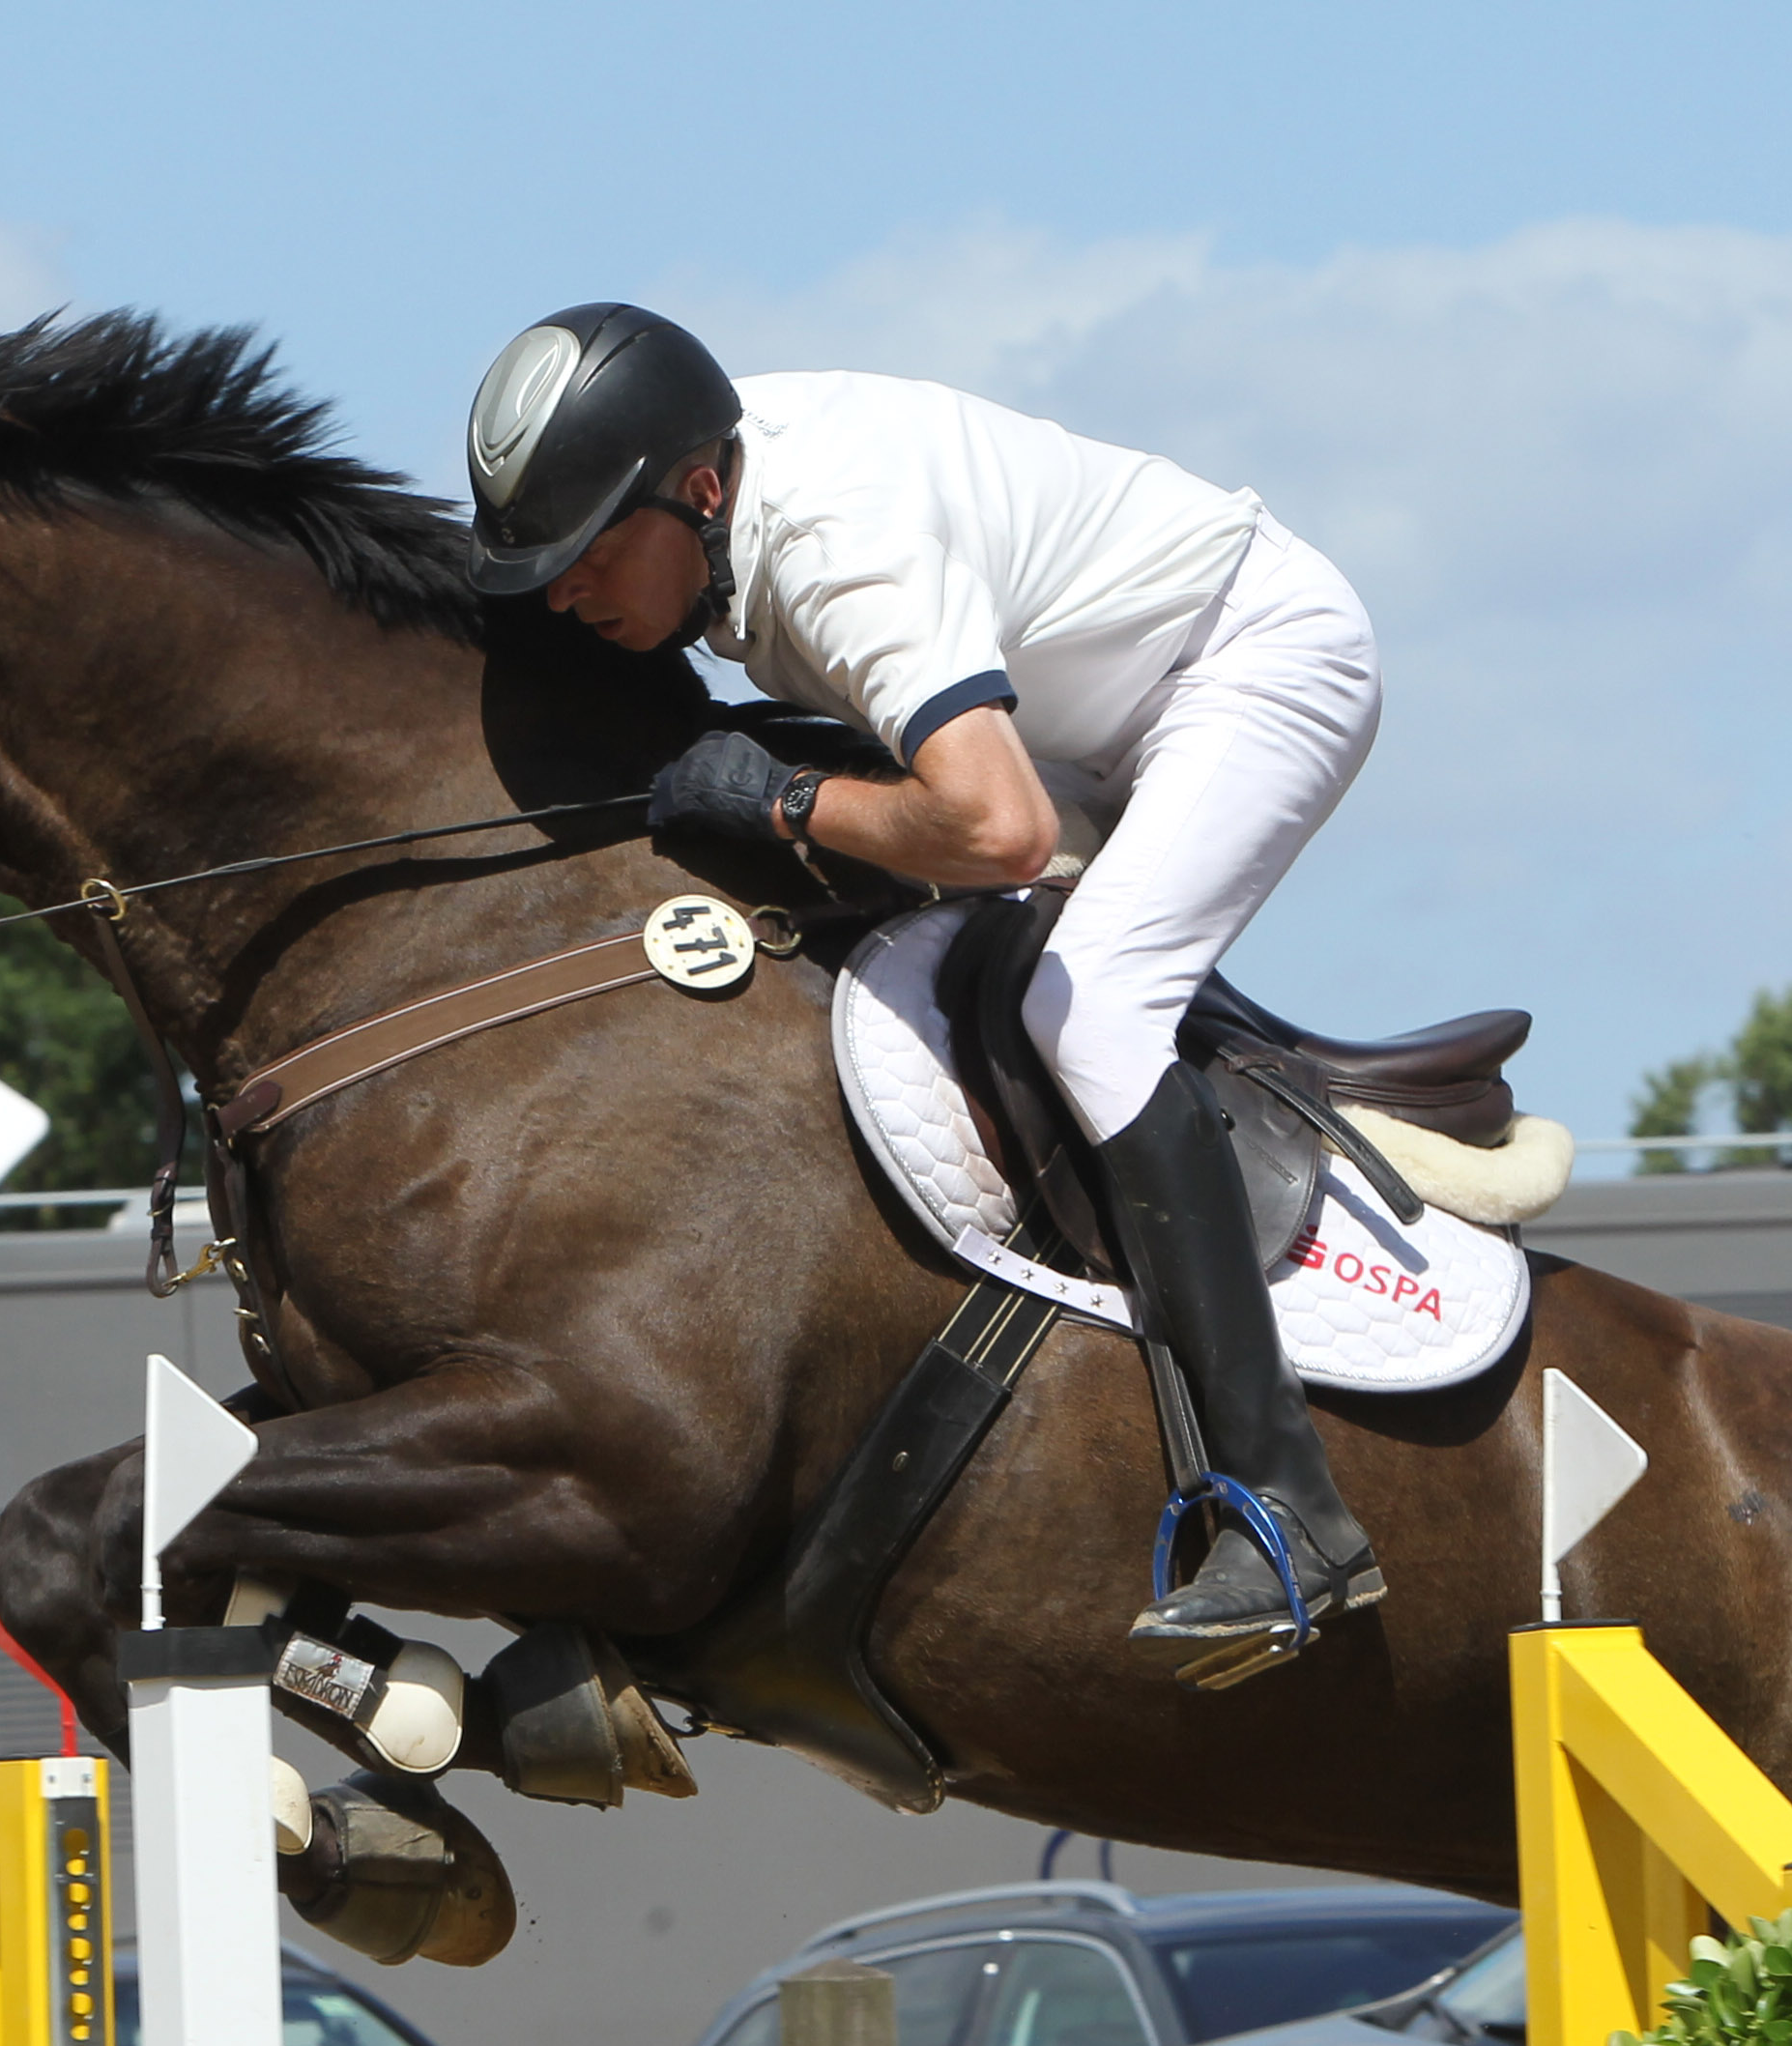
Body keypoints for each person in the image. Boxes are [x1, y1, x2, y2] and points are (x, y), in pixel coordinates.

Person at [462, 303, 1384, 1681]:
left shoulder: (841, 558)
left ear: (699, 490)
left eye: (590, 549)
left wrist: (783, 801)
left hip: (1247, 665)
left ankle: (1289, 1509)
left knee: (1094, 1001)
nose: (565, 592)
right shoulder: (703, 462)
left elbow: (1001, 830)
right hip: (1081, 713)